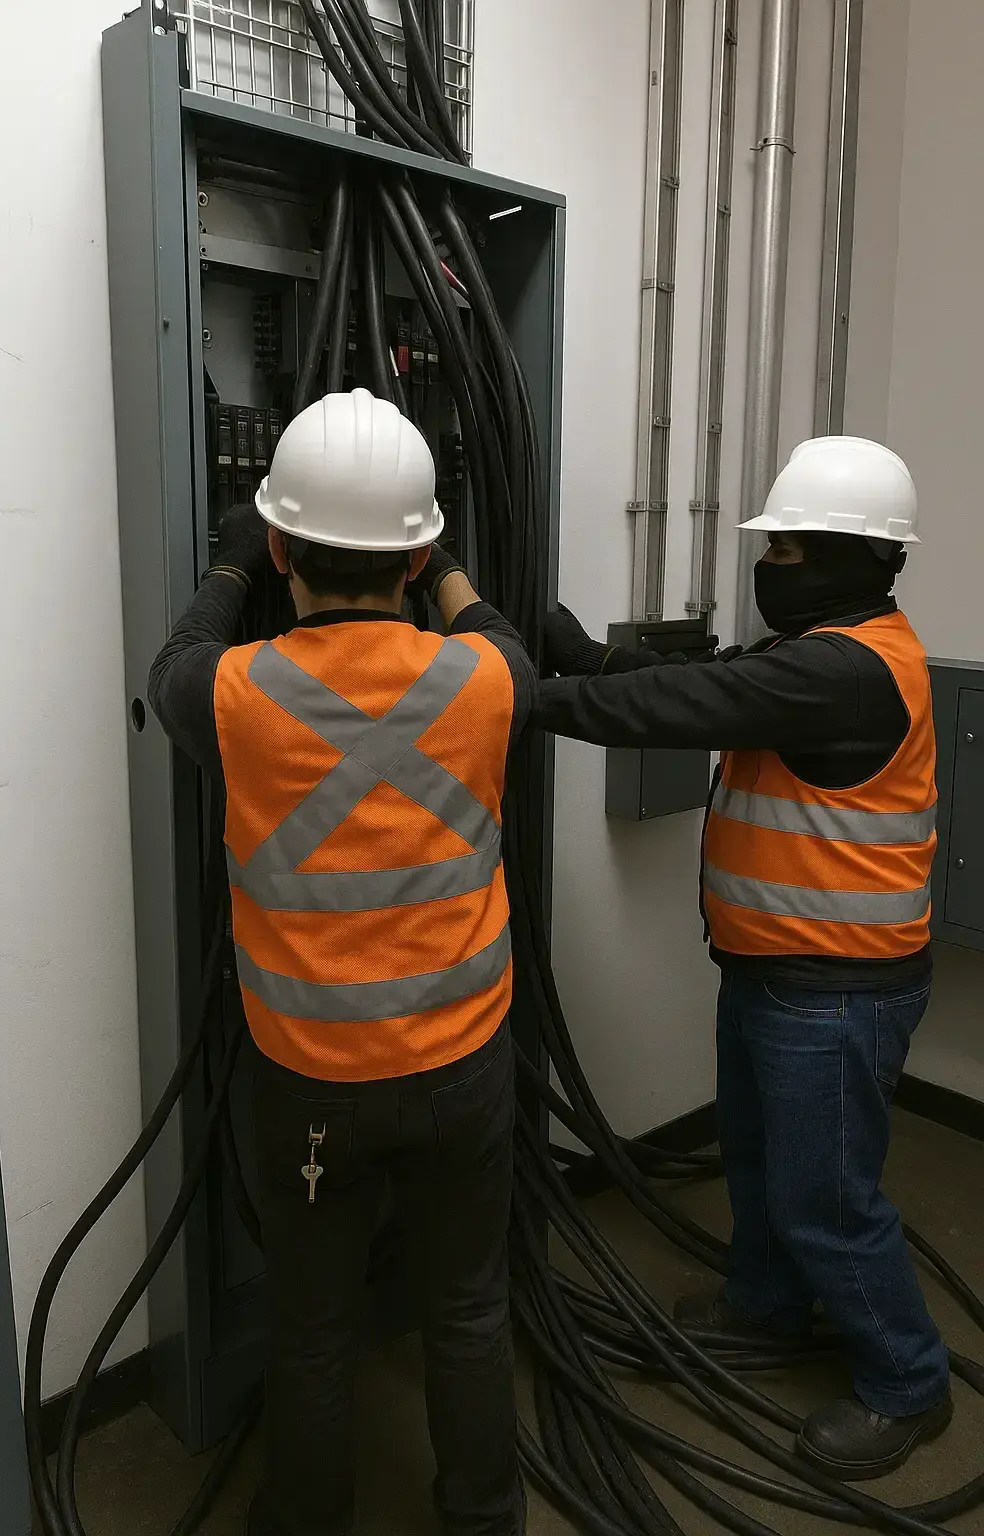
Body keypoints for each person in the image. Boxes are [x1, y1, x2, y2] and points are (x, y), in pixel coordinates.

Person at [148, 388, 533, 1536]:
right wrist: (449, 560)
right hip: (464, 1070)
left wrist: (227, 569)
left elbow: (178, 655)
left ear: (278, 546)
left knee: (312, 1325)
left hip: (309, 1081)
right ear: (415, 561)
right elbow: (496, 629)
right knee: (468, 1308)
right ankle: (484, 1518)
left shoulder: (230, 696)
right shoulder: (488, 682)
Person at [534, 436, 951, 1481]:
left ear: (864, 559)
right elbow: (688, 679)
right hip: (780, 970)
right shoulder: (825, 646)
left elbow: (674, 709)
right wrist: (577, 653)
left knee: (827, 1196)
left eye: (794, 551)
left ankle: (907, 1384)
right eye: (777, 548)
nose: (773, 567)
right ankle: (764, 1308)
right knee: (762, 1164)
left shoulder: (842, 669)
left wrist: (513, 692)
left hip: (837, 989)